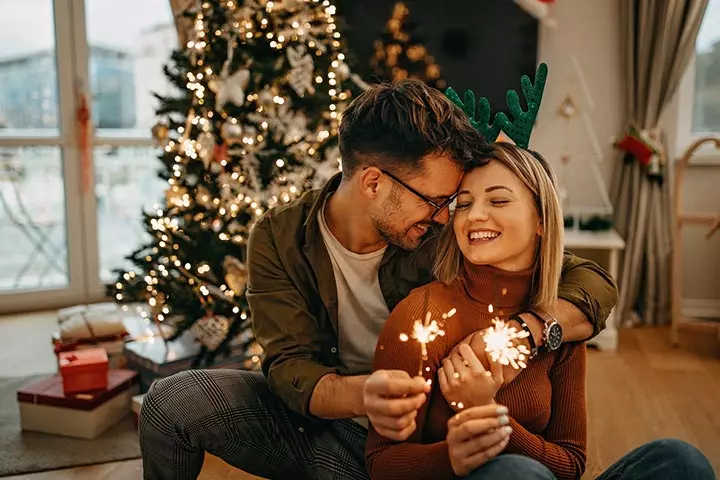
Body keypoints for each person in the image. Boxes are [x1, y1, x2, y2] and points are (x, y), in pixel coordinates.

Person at [138, 79, 619, 480]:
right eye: (437, 200)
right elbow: (286, 367)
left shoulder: (440, 233)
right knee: (169, 401)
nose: (447, 216)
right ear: (373, 183)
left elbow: (589, 281)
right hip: (314, 420)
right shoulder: (278, 236)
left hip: (404, 442)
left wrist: (528, 331)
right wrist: (362, 393)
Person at [365, 142, 716, 480]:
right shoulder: (422, 315)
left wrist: (490, 415)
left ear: (542, 221)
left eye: (499, 200)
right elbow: (382, 462)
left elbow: (570, 464)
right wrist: (451, 458)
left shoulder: (559, 318)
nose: (475, 215)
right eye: (464, 204)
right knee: (516, 473)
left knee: (680, 461)